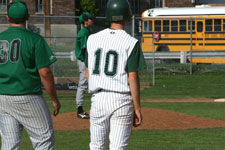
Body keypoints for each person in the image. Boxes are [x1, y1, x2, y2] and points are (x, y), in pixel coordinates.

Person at [85, 0, 147, 149]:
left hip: (98, 98)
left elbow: (87, 74)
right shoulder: (131, 42)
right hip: (121, 99)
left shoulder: (92, 39)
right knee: (118, 147)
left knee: (96, 146)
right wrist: (137, 108)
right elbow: (132, 77)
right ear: (127, 16)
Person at [0, 1, 61, 149]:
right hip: (28, 96)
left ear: (7, 17)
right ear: (28, 17)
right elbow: (45, 73)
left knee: (9, 143)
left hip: (3, 97)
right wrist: (54, 99)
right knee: (43, 139)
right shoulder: (35, 39)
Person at [75, 12, 94, 119]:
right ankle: (79, 110)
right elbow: (84, 50)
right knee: (83, 84)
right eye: (91, 19)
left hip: (85, 61)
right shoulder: (84, 32)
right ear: (86, 22)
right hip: (83, 61)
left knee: (88, 84)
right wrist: (87, 64)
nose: (92, 20)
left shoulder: (86, 31)